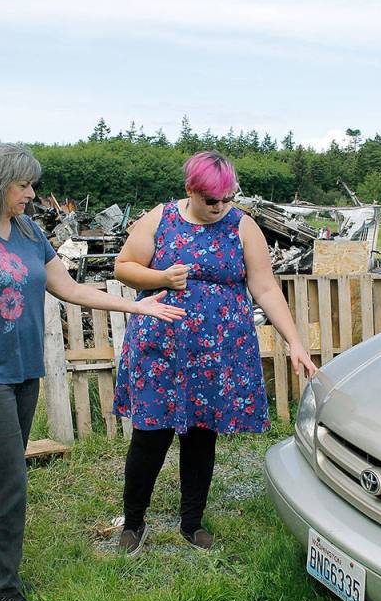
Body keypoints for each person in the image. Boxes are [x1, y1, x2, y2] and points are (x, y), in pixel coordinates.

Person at [0, 143, 184, 601]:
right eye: (23, 184)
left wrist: (138, 303)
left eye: (31, 184)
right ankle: (4, 589)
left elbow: (68, 288)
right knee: (10, 478)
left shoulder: (26, 231)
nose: (31, 193)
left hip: (23, 371)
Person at [112, 151, 316, 555]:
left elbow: (265, 287)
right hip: (160, 351)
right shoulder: (161, 218)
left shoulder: (243, 226)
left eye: (227, 198)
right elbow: (123, 266)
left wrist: (294, 341)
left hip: (217, 353)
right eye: (211, 200)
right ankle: (133, 523)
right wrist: (160, 277)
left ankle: (192, 523)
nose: (220, 207)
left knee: (202, 437)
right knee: (149, 437)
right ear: (190, 189)